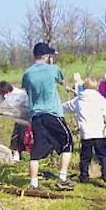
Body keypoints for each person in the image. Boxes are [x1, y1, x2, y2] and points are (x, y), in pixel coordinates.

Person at [21, 42, 74, 191]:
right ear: (45, 56)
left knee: (36, 150)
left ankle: (33, 183)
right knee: (67, 142)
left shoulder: (27, 74)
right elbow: (63, 82)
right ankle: (62, 178)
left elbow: (26, 89)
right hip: (53, 113)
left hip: (36, 116)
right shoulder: (53, 70)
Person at [62, 76, 106, 187]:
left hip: (86, 133)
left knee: (86, 156)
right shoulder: (101, 99)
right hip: (99, 132)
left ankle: (84, 176)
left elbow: (65, 107)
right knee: (104, 155)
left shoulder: (78, 100)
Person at [0, 81, 31, 162]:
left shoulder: (19, 94)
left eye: (3, 93)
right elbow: (3, 104)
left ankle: (20, 155)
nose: (3, 95)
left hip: (25, 117)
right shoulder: (5, 95)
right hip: (18, 118)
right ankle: (16, 155)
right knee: (15, 137)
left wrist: (2, 110)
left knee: (22, 137)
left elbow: (11, 107)